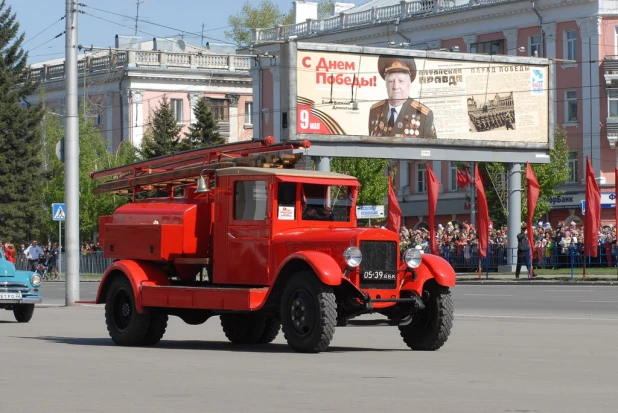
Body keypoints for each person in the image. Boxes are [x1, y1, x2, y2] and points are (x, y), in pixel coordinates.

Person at [368, 56, 436, 139]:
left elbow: (432, 150)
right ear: (386, 84)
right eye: (391, 81)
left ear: (409, 84)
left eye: (401, 81)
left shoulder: (423, 115)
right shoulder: (375, 111)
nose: (396, 86)